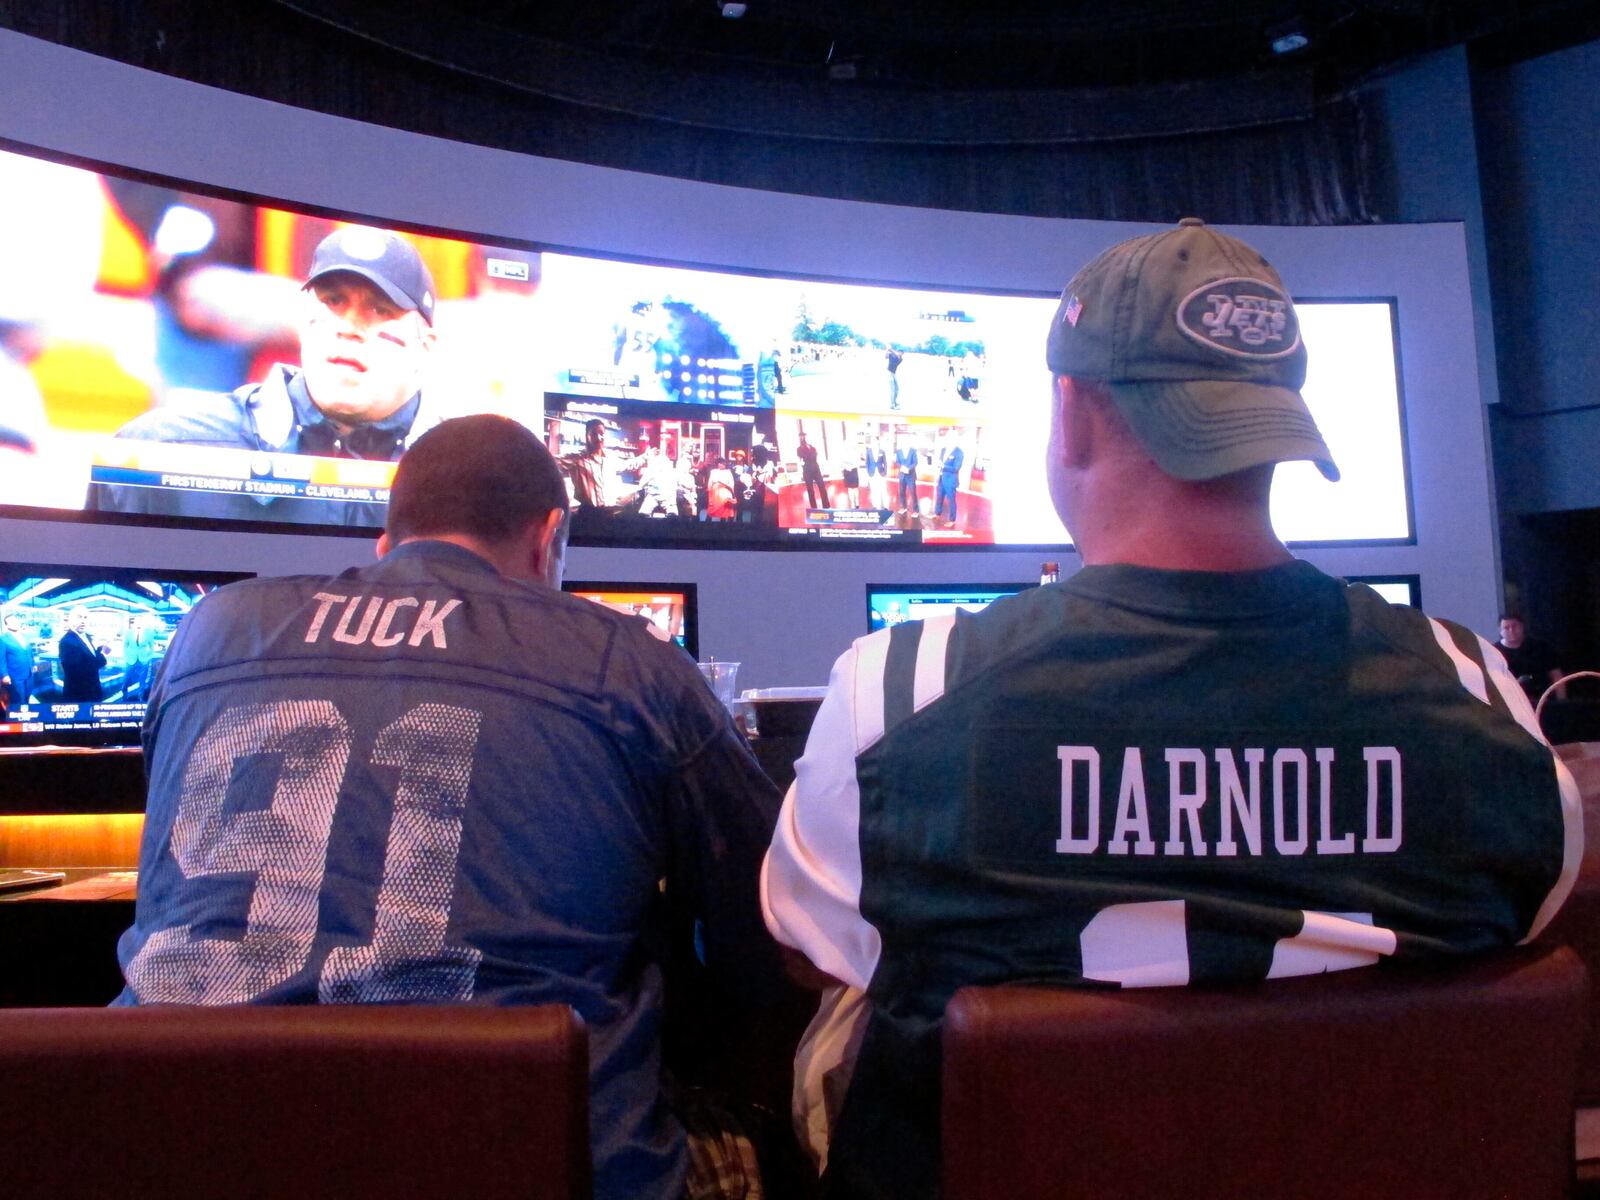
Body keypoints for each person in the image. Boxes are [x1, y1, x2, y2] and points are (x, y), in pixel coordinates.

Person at [760, 218, 1582, 1198]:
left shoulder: (896, 697)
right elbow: (1528, 919)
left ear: (1069, 413)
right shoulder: (1476, 690)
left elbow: (803, 951)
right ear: (1279, 424)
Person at [115, 414, 787, 1200]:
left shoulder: (209, 630)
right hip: (513, 1147)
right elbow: (767, 930)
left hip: (168, 1143)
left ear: (383, 542)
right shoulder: (623, 660)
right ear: (549, 538)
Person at [88, 226, 440, 527]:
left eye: (381, 309)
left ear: (425, 347)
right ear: (302, 320)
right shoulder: (158, 448)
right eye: (333, 301)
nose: (349, 328)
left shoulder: (473, 477)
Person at [1496, 614, 1566, 705]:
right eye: (1506, 627)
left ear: (1522, 627)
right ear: (1500, 631)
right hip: (1510, 704)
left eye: (1515, 626)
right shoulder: (1494, 652)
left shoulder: (1541, 647)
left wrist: (1562, 702)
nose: (1511, 630)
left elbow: (1556, 675)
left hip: (1543, 701)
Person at [57, 608, 108, 702]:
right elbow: (80, 670)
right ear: (70, 620)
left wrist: (99, 649)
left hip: (93, 691)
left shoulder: (86, 636)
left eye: (85, 618)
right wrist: (103, 654)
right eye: (79, 617)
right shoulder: (67, 641)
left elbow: (90, 658)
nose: (83, 621)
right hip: (79, 695)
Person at [120, 614, 158, 702]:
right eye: (137, 622)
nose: (139, 624)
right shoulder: (129, 632)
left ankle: (140, 697)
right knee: (127, 677)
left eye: (141, 622)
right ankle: (124, 691)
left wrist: (149, 656)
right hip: (130, 659)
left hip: (144, 659)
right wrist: (126, 655)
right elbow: (125, 645)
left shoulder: (148, 632)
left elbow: (152, 646)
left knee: (142, 679)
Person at [0, 609, 32, 712]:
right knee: (18, 699)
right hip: (15, 676)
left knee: (27, 696)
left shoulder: (24, 636)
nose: (16, 623)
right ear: (7, 625)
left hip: (29, 673)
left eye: (16, 620)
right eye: (12, 622)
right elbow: (1, 659)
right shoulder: (3, 639)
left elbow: (29, 652)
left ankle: (28, 716)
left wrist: (33, 664)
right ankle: (19, 722)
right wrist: (4, 675)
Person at [933, 430, 963, 527]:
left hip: (951, 480)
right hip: (942, 478)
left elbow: (956, 468)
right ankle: (937, 513)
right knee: (939, 497)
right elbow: (941, 463)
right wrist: (939, 468)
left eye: (951, 437)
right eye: (948, 437)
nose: (948, 439)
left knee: (951, 500)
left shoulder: (959, 452)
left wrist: (943, 466)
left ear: (955, 439)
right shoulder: (943, 449)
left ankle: (952, 520)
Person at [797, 431, 828, 510]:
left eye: (804, 436)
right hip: (807, 470)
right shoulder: (799, 449)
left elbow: (814, 456)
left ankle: (826, 506)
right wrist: (810, 455)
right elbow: (805, 456)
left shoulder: (813, 447)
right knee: (810, 490)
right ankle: (814, 508)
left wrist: (810, 454)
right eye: (801, 437)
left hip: (816, 469)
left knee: (822, 487)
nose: (802, 438)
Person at [894, 435, 919, 516]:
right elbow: (897, 461)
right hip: (902, 475)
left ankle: (916, 510)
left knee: (913, 493)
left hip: (911, 475)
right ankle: (903, 507)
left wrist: (908, 468)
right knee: (901, 492)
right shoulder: (899, 451)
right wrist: (901, 467)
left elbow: (915, 462)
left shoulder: (913, 451)